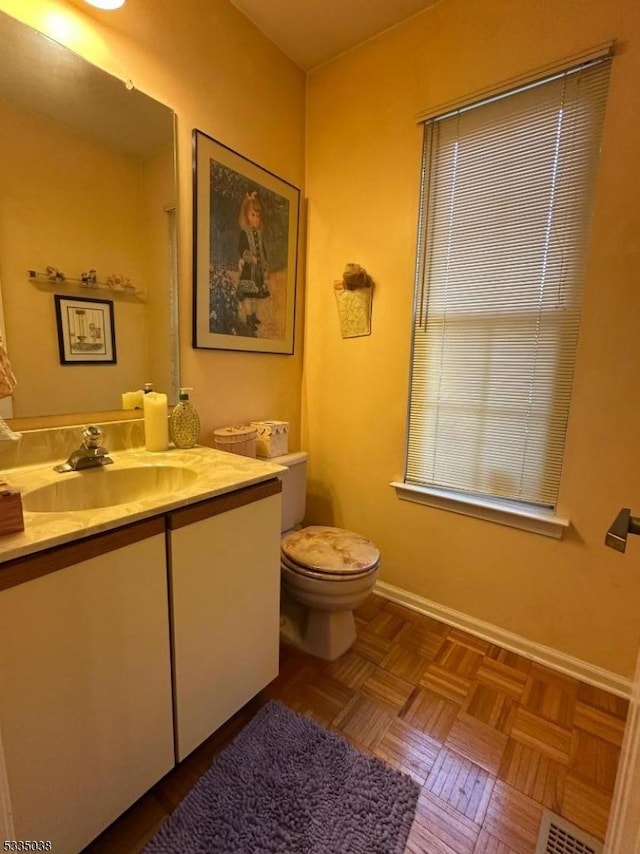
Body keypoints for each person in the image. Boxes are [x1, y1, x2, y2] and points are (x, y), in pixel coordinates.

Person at [236, 191, 270, 334]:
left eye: (257, 216)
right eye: (252, 215)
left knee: (257, 295)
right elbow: (241, 248)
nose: (255, 219)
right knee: (249, 295)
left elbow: (263, 250)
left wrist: (265, 265)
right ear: (246, 216)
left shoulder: (259, 235)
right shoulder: (245, 233)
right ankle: (249, 317)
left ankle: (254, 315)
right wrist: (250, 258)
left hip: (258, 270)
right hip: (249, 269)